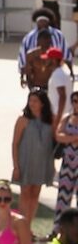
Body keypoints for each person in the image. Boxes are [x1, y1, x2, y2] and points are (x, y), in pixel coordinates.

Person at [12, 89, 57, 228]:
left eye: (35, 101)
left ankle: (29, 226)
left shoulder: (51, 120)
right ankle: (22, 227)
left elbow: (54, 143)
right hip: (26, 161)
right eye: (30, 100)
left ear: (43, 103)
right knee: (25, 193)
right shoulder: (23, 120)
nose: (32, 103)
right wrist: (16, 166)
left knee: (35, 194)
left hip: (42, 162)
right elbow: (15, 144)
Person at [19, 10, 71, 85]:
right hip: (36, 77)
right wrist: (22, 76)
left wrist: (70, 73)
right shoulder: (28, 37)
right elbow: (23, 59)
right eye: (40, 22)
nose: (42, 24)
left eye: (44, 22)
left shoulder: (59, 35)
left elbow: (66, 55)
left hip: (54, 75)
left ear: (48, 22)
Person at [55, 89, 78, 228]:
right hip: (68, 162)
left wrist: (68, 138)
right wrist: (74, 138)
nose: (76, 104)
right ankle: (59, 228)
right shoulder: (67, 118)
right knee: (63, 197)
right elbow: (58, 136)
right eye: (74, 101)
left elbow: (64, 137)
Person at [44, 46, 73, 126]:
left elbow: (62, 96)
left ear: (53, 60)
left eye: (47, 58)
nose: (45, 60)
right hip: (62, 114)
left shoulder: (57, 75)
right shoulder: (60, 73)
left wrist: (58, 119)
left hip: (59, 115)